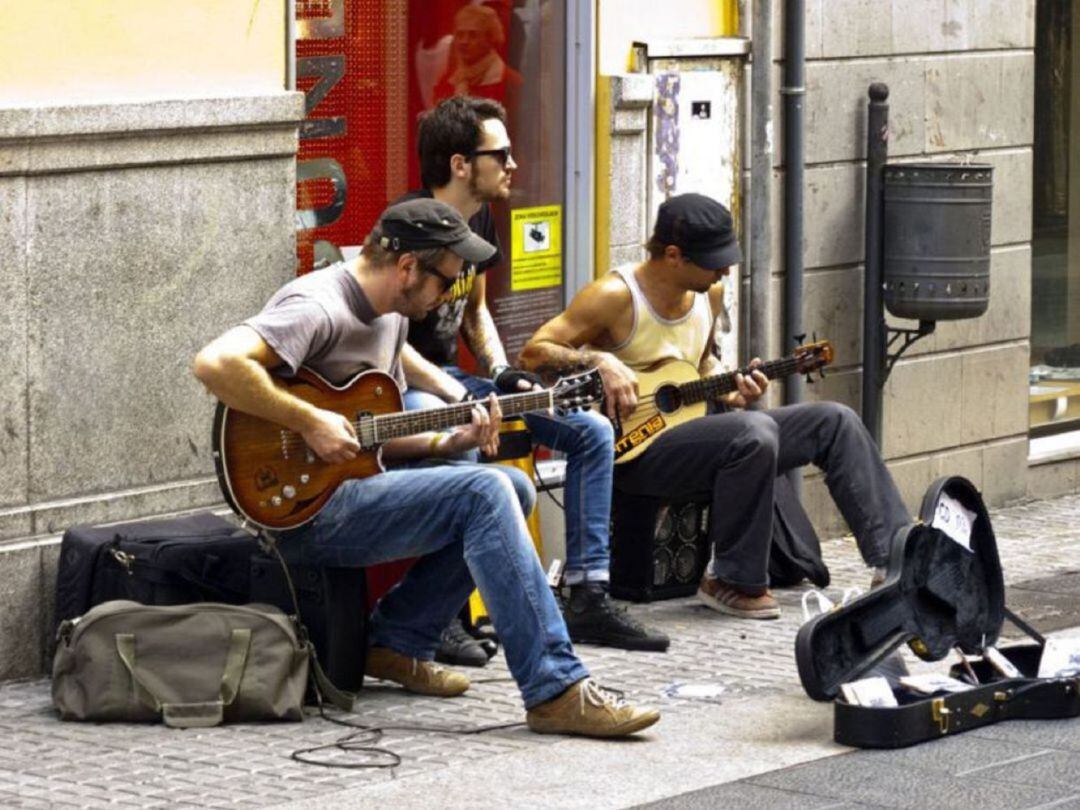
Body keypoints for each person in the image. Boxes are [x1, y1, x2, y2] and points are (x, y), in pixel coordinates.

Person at [192, 198, 659, 737]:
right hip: (300, 510)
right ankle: (555, 687)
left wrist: (446, 441)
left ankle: (397, 641)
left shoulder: (389, 313)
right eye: (445, 281)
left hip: (354, 487)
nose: (448, 297)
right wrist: (308, 419)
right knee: (483, 493)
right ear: (407, 268)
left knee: (511, 487)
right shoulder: (318, 306)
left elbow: (371, 439)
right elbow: (214, 363)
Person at [519, 193, 911, 619]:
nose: (724, 269)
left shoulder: (710, 293)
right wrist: (598, 359)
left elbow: (700, 365)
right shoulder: (615, 296)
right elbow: (534, 353)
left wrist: (730, 389)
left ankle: (898, 559)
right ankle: (730, 579)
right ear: (673, 255)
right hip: (634, 451)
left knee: (835, 420)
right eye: (714, 260)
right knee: (752, 433)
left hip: (695, 432)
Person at [398, 95, 669, 653]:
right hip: (407, 387)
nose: (514, 165)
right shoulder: (412, 225)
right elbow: (388, 341)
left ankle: (587, 595)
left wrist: (499, 372)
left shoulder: (480, 219)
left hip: (457, 377)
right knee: (462, 448)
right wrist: (457, 392)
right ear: (460, 164)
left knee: (590, 431)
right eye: (501, 154)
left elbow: (473, 312)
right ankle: (441, 614)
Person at [432, 5, 523, 109]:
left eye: (473, 35)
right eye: (460, 34)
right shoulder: (447, 82)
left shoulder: (511, 83)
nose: (464, 41)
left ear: (490, 39)